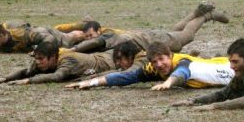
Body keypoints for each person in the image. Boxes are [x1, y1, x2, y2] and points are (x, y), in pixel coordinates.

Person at [68, 1, 229, 54]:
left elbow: (94, 43)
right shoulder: (110, 35)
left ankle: (208, 15)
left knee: (187, 35)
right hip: (149, 36)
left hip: (154, 41)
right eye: (87, 36)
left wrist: (72, 50)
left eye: (91, 35)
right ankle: (196, 12)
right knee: (175, 31)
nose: (90, 39)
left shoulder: (106, 37)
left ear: (99, 31)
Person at [66, 41, 234, 91]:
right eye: (155, 61)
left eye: (162, 59)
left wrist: (168, 83)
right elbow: (126, 77)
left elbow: (182, 72)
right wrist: (90, 83)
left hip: (227, 67)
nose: (159, 65)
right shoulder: (154, 68)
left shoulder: (181, 62)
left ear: (170, 55)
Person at [0, 42, 115, 85]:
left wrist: (28, 81)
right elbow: (26, 72)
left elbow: (57, 77)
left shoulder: (67, 60)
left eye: (41, 59)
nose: (38, 62)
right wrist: (5, 78)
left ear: (53, 58)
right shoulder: (41, 61)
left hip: (109, 60)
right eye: (36, 58)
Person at [0, 22, 82, 54]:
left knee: (71, 38)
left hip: (48, 34)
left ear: (1, 36)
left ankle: (87, 32)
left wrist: (39, 51)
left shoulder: (25, 35)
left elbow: (48, 39)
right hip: (41, 36)